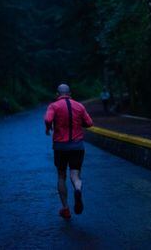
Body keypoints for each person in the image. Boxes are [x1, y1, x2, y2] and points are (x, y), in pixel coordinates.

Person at [44, 84, 93, 219]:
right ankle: (77, 189)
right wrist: (78, 123)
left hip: (60, 147)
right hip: (77, 146)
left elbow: (48, 119)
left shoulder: (53, 106)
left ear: (57, 94)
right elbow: (89, 123)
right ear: (70, 94)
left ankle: (65, 208)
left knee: (61, 176)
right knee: (75, 175)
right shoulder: (79, 106)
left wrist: (48, 128)